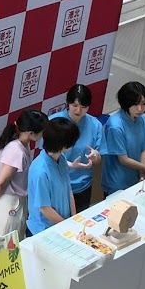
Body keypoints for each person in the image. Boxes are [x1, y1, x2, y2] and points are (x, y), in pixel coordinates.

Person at [0, 109, 45, 240]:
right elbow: (0, 182)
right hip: (8, 203)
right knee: (2, 246)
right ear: (31, 133)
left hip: (14, 200)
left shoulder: (22, 145)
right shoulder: (16, 151)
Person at [50, 84, 104, 213]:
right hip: (58, 186)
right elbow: (47, 156)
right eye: (74, 105)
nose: (78, 111)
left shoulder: (95, 125)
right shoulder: (54, 122)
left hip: (82, 186)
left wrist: (96, 156)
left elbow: (99, 158)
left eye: (83, 107)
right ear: (67, 103)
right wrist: (67, 164)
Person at [27, 116, 78, 235]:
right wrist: (68, 227)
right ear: (63, 146)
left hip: (63, 222)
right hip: (43, 230)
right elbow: (45, 208)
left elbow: (68, 189)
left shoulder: (61, 158)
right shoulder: (40, 172)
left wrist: (75, 218)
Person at [101, 81, 145, 194]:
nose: (140, 108)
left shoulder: (142, 118)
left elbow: (144, 148)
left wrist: (142, 175)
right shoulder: (115, 125)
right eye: (135, 104)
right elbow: (123, 159)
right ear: (126, 103)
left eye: (143, 103)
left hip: (136, 178)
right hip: (117, 183)